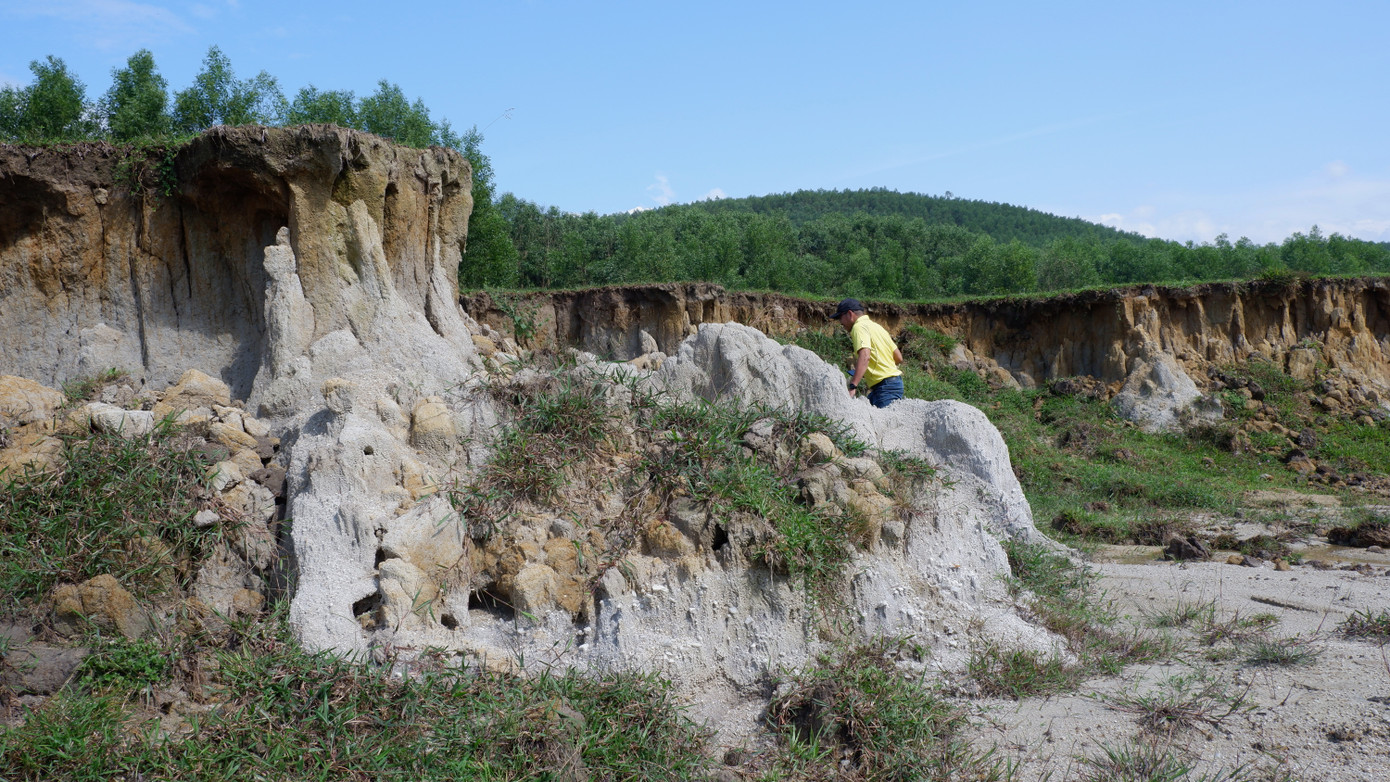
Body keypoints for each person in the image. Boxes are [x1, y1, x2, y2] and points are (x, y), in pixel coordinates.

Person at [828, 298, 904, 408]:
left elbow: (865, 355)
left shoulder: (858, 327)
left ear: (850, 314)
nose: (840, 322)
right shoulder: (877, 327)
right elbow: (898, 357)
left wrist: (853, 386)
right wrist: (878, 367)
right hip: (892, 384)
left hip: (885, 388)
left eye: (840, 317)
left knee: (883, 424)